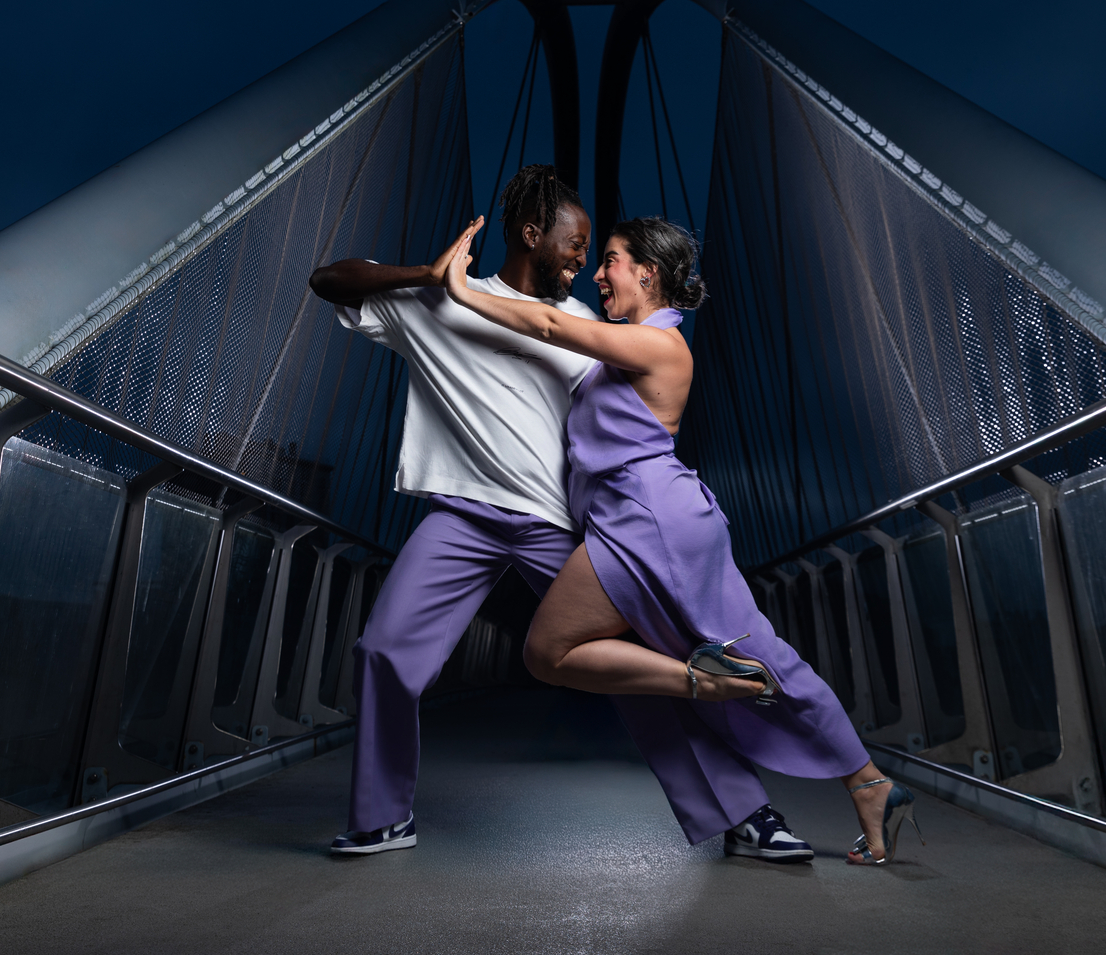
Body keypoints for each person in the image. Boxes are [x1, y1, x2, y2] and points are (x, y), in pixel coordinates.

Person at [310, 165, 812, 860]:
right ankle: (382, 815)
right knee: (384, 653)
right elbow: (329, 279)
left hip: (560, 528)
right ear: (530, 234)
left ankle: (745, 815)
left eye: (591, 252)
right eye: (575, 246)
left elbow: (631, 425)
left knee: (633, 672)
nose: (583, 262)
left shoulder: (581, 323)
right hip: (461, 518)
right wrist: (425, 275)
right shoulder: (437, 304)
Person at [441, 213, 923, 866]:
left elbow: (554, 325)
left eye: (610, 260)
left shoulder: (662, 344)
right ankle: (866, 783)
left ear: (649, 271)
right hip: (644, 519)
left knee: (560, 651)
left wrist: (464, 290)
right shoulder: (628, 349)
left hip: (650, 520)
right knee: (759, 658)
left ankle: (728, 698)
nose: (601, 274)